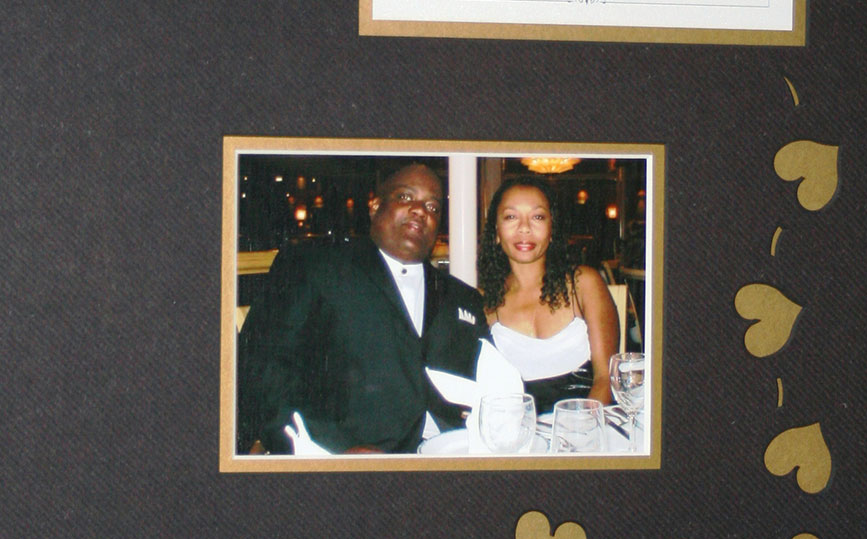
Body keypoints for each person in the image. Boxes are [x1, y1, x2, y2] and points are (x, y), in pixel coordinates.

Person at [240, 163, 487, 454]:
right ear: (375, 207)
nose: (421, 210)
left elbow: (491, 383)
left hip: (451, 456)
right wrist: (324, 452)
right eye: (405, 197)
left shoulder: (463, 298)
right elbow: (261, 368)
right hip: (343, 457)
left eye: (432, 207)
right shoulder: (316, 267)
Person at [478, 177, 620, 416]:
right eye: (511, 217)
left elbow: (606, 379)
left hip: (588, 425)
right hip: (519, 431)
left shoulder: (583, 284)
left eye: (537, 217)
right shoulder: (485, 303)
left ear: (552, 230)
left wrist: (578, 430)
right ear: (496, 232)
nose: (524, 228)